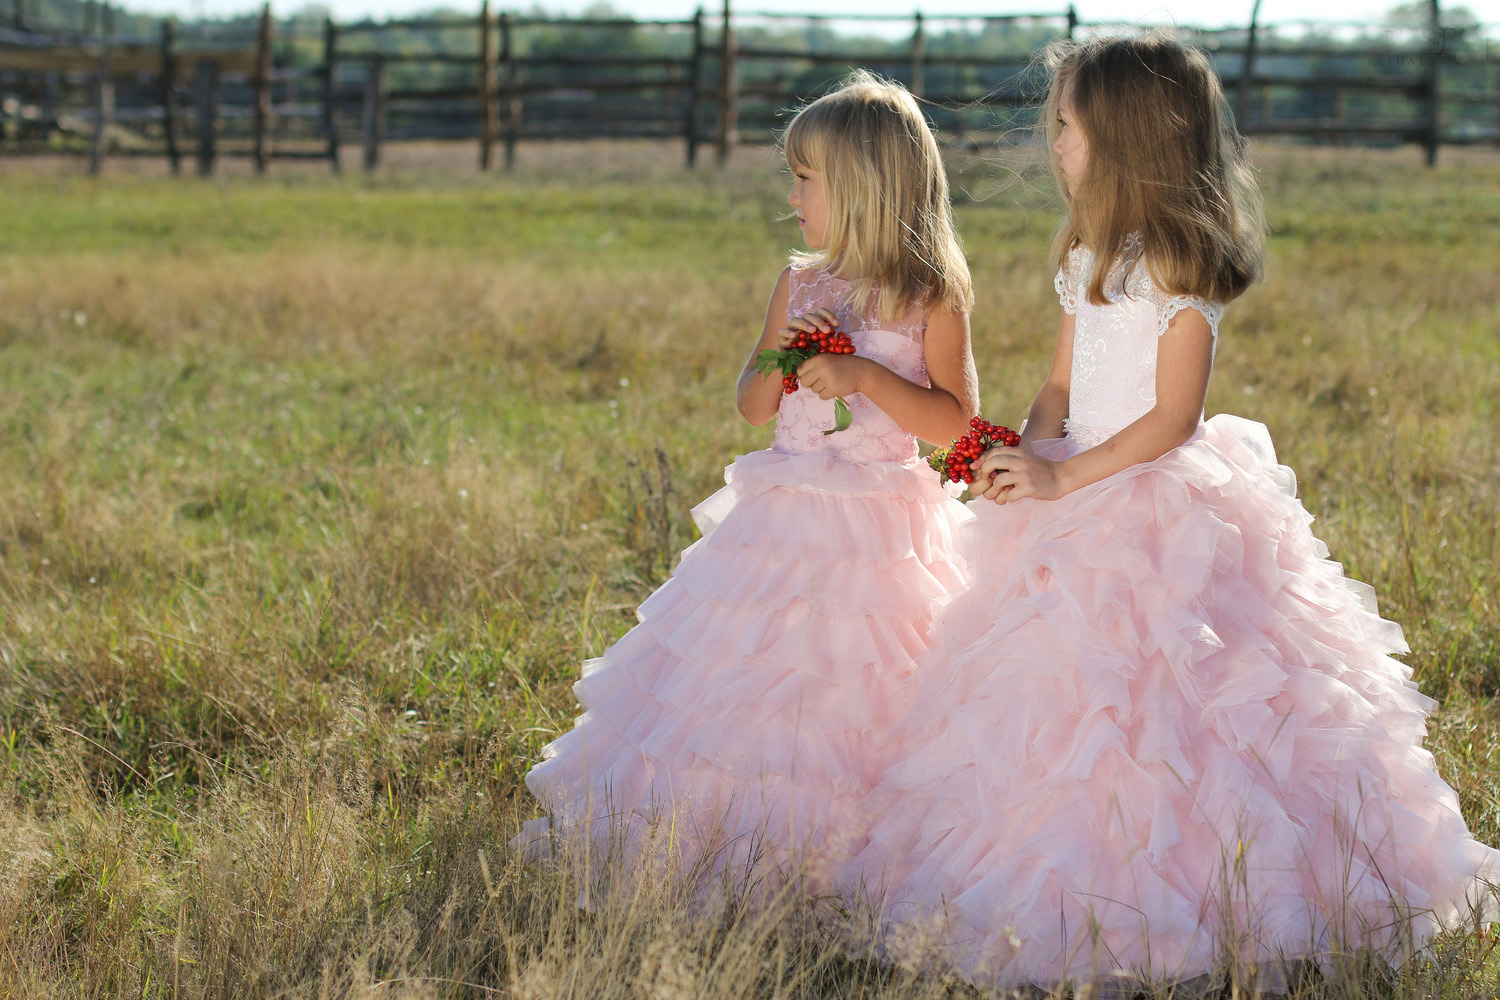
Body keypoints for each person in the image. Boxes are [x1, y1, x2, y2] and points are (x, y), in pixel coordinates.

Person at [844, 34, 1500, 992]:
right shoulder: (1089, 259)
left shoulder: (1181, 272)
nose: (1052, 143)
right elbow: (1062, 386)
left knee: (1172, 699)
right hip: (1073, 486)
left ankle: (1211, 886)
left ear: (1123, 140)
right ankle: (1043, 870)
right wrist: (1026, 447)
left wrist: (1070, 480)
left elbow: (1172, 418)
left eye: (1064, 125)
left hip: (1152, 497)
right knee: (1051, 693)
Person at [512, 70, 980, 904]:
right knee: (751, 679)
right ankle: (721, 827)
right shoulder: (799, 283)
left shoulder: (929, 298)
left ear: (866, 188)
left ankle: (843, 851)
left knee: (853, 682)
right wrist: (786, 362)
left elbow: (957, 426)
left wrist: (865, 372)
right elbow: (750, 403)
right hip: (778, 525)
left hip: (880, 534)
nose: (792, 196)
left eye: (806, 179)